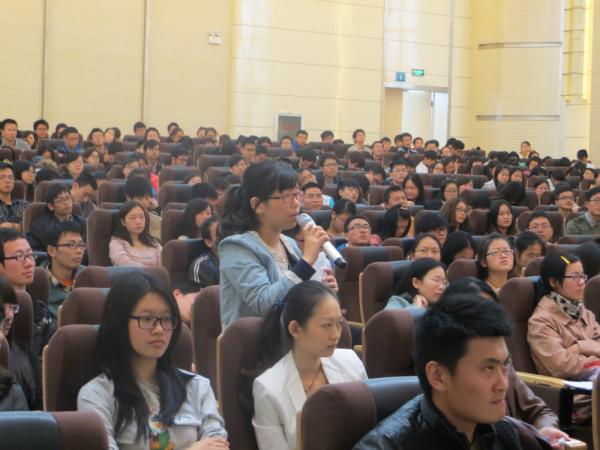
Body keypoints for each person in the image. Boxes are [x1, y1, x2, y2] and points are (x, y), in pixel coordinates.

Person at [355, 294, 556, 450]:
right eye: (488, 368)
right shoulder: (387, 445)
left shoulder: (508, 433)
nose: (503, 384)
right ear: (437, 376)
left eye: (505, 365)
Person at [78, 273, 228, 449]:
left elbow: (217, 445)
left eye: (166, 319)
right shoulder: (96, 394)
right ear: (119, 322)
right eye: (147, 319)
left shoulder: (197, 387)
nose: (159, 329)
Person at [251, 281, 366, 450]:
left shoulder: (351, 362)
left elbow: (372, 430)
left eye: (339, 324)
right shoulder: (268, 388)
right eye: (327, 325)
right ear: (295, 329)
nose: (336, 335)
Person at [218, 160, 334, 326]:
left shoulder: (289, 244)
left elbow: (296, 300)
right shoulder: (236, 247)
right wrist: (306, 262)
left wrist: (321, 291)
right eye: (286, 196)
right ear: (258, 205)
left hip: (288, 335)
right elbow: (264, 304)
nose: (296, 203)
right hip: (252, 340)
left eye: (296, 195)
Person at [528, 252, 600, 423]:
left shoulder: (582, 310)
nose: (582, 282)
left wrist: (576, 349)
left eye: (582, 276)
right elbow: (560, 365)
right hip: (576, 397)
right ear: (553, 282)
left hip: (593, 386)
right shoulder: (541, 320)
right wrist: (584, 346)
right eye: (575, 277)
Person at [42, 222, 86, 315]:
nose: (79, 251)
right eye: (71, 245)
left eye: (81, 245)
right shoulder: (37, 282)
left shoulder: (88, 276)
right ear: (52, 250)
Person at [27, 183, 86, 251]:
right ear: (51, 206)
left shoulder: (83, 223)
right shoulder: (40, 226)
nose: (66, 202)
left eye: (68, 198)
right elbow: (34, 251)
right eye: (60, 200)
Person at [109, 201, 162, 267]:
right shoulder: (117, 243)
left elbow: (164, 267)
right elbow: (124, 264)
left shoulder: (154, 243)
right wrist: (151, 271)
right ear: (123, 222)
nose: (138, 222)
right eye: (132, 218)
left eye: (141, 217)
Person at [125, 176, 161, 240]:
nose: (144, 202)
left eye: (147, 198)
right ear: (128, 198)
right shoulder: (123, 218)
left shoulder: (157, 219)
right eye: (139, 198)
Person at [188, 217, 220, 289]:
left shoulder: (240, 257)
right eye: (219, 233)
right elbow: (204, 295)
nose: (226, 235)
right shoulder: (202, 266)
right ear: (209, 242)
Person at [0, 162, 28, 230]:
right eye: (1, 177)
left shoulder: (25, 205)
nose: (8, 180)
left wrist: (9, 226)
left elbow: (32, 226)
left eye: (10, 177)